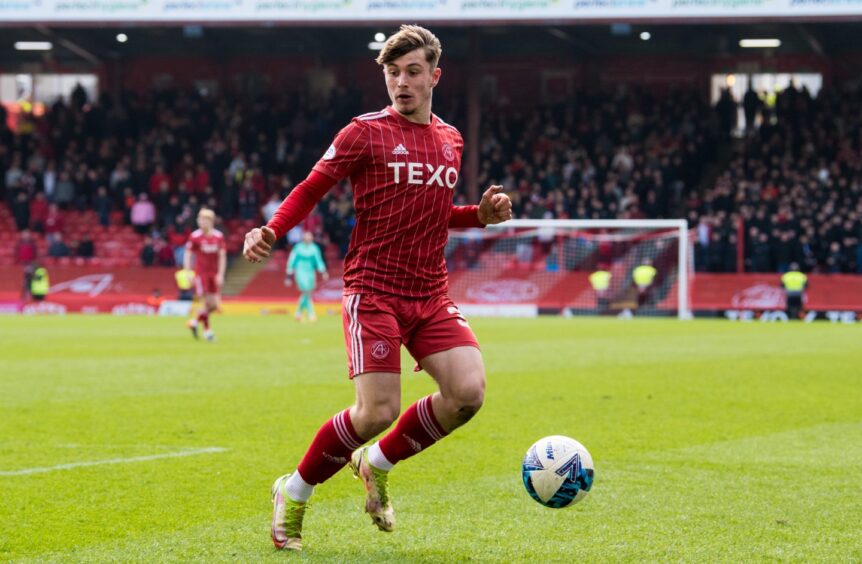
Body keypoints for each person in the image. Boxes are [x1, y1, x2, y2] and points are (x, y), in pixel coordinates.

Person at [242, 25, 513, 552]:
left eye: (412, 72)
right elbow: (311, 187)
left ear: (435, 75)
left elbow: (434, 212)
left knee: (468, 394)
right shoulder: (363, 132)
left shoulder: (451, 138)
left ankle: (377, 462)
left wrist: (477, 216)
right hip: (374, 290)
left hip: (430, 291)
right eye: (393, 73)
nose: (401, 83)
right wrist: (273, 228)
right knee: (376, 412)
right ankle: (293, 491)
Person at [184, 208, 226, 341]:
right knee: (206, 303)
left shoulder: (218, 236)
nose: (202, 222)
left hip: (213, 274)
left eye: (205, 220)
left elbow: (222, 256)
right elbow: (188, 253)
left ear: (211, 221)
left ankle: (194, 322)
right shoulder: (195, 236)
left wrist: (220, 274)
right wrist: (188, 271)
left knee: (214, 305)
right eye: (200, 219)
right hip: (201, 275)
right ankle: (208, 332)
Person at [286, 231, 329, 322]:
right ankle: (311, 313)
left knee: (308, 293)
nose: (308, 239)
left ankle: (298, 312)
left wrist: (323, 271)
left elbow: (319, 261)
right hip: (300, 271)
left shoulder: (314, 248)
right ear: (303, 238)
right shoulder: (298, 248)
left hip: (310, 272)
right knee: (306, 291)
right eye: (307, 237)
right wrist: (289, 274)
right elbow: (292, 260)